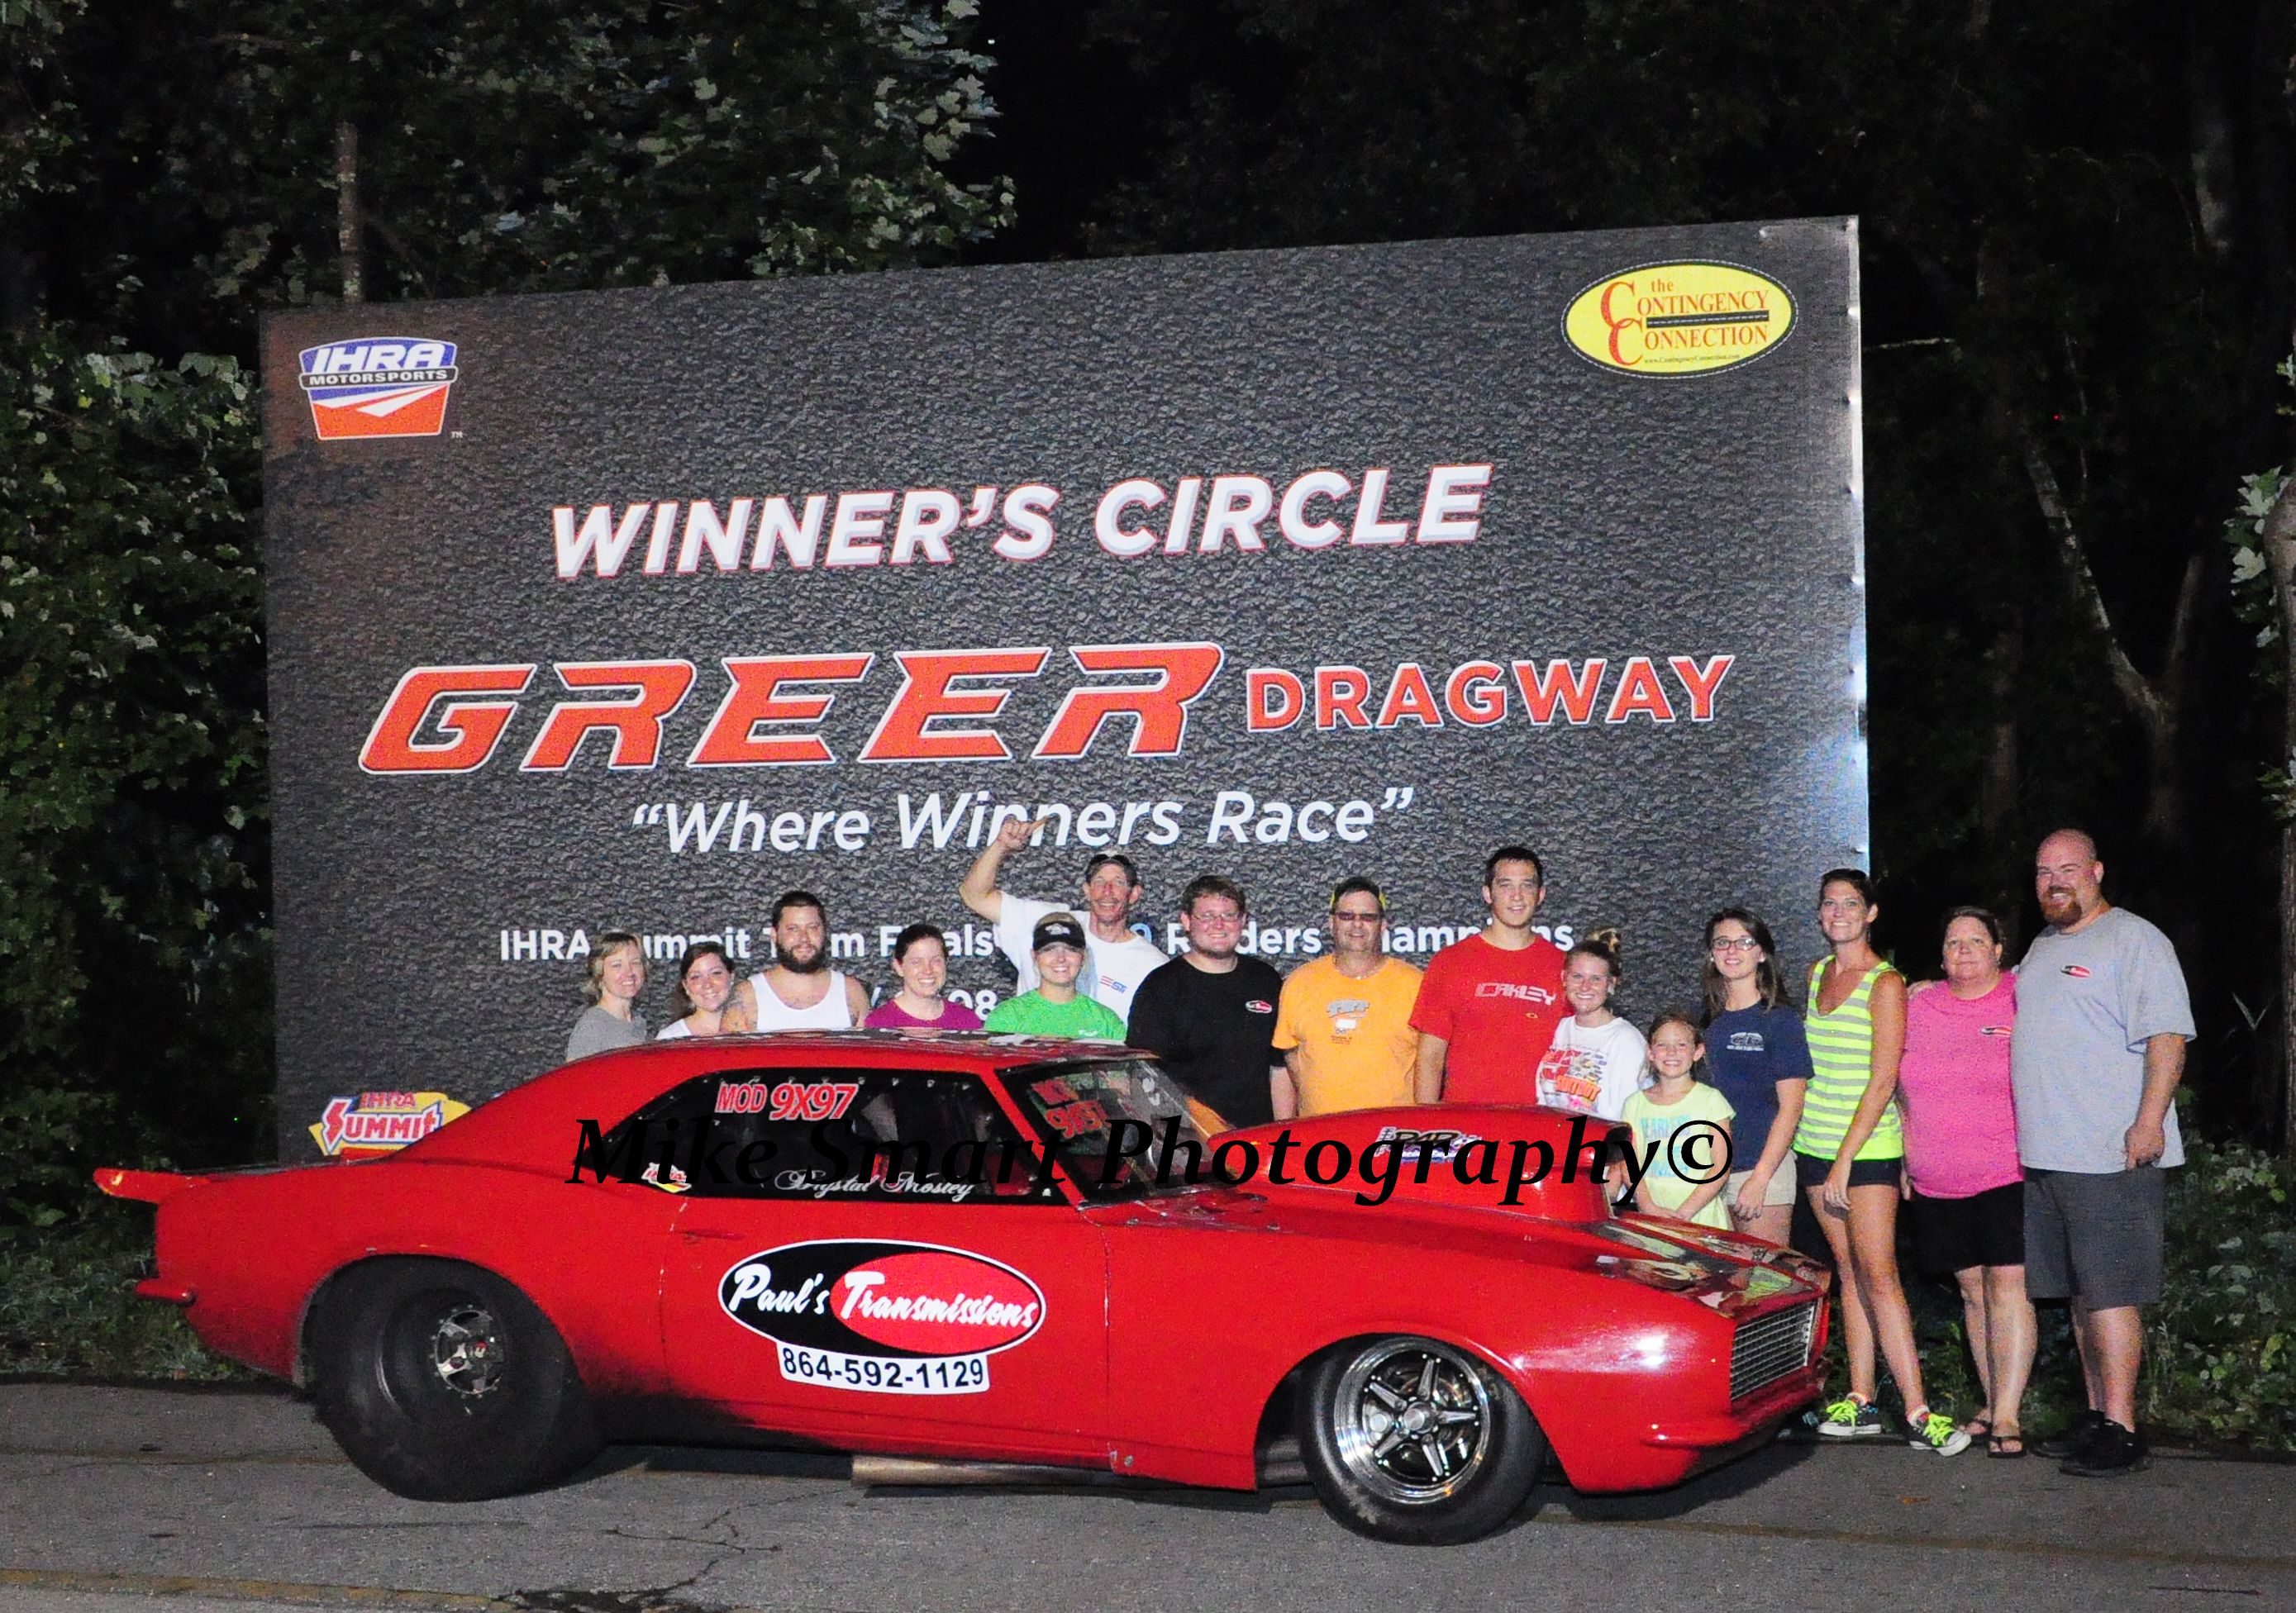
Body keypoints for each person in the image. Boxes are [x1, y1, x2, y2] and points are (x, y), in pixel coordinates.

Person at [2014, 830, 2194, 1477]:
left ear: (2097, 871)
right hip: (2048, 1156)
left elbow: (2167, 1037)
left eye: (2068, 868)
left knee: (2113, 1293)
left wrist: (2148, 1122)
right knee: (2082, 1295)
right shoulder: (2042, 947)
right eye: (2044, 871)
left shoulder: (2134, 939)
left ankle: (2122, 1430)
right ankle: (2096, 1417)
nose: (2056, 881)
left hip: (2110, 1155)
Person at [1793, 868, 1969, 1455]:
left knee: (1880, 1274)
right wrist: (1823, 1153)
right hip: (1814, 1144)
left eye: (1851, 904)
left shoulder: (1886, 983)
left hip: (1865, 1151)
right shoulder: (1817, 974)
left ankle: (1919, 1411)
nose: (1838, 913)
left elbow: (1883, 1079)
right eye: (1829, 904)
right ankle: (1861, 1399)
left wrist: (1846, 1160)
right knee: (1848, 1273)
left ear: (1871, 913)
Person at [1898, 906, 2032, 1458]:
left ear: (1999, 950)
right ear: (1940, 955)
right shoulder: (1917, 1005)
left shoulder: (2023, 996)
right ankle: (1991, 1399)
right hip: (1936, 1176)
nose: (1964, 951)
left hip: (2008, 1169)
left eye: (1977, 941)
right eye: (1954, 942)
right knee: (1973, 1292)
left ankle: (2008, 1415)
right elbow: (1894, 1083)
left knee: (2007, 1285)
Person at [960, 818, 1166, 1018]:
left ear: (1135, 893)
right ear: (1086, 890)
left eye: (1119, 882)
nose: (1107, 891)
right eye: (1099, 881)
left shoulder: (1152, 965)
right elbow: (974, 897)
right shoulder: (1048, 924)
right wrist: (1001, 846)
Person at [1412, 845, 1569, 1103]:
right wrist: (1427, 1124)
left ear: (1541, 894)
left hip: (1543, 1121)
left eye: (1527, 885)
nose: (1517, 896)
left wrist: (1574, 1122)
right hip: (1468, 1122)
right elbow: (1430, 1058)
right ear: (1488, 893)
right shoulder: (1450, 962)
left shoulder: (1563, 966)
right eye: (1506, 885)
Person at [1126, 874, 1285, 1128]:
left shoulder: (1265, 980)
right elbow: (1142, 1077)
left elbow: (1279, 1067)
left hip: (1258, 1137)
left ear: (1243, 921)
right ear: (1186, 921)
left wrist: (1284, 1133)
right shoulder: (1160, 988)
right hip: (1187, 1141)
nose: (1218, 925)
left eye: (1228, 915)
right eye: (1207, 916)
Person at [1701, 908, 1812, 1247]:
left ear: (1761, 953)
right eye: (1722, 943)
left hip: (1761, 1169)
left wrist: (1761, 1179)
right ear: (1711, 954)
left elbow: (1791, 1108)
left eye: (1744, 942)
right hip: (1710, 1170)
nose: (1732, 950)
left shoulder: (1780, 1020)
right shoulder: (1707, 1022)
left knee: (1763, 1275)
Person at [1271, 878, 1422, 1119]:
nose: (1357, 924)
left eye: (1368, 917)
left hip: (1392, 1134)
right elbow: (1290, 1058)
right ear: (1331, 922)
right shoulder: (1299, 983)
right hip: (1321, 1135)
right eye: (1346, 916)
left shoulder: (1415, 984)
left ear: (1383, 924)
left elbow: (1432, 1064)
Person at [1618, 1013, 1733, 1230]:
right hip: (1652, 1220)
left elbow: (1721, 1166)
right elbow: (1629, 1164)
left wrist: (1684, 1214)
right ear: (1650, 1052)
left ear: (1697, 1052)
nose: (1671, 1052)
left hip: (1700, 1220)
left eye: (1681, 1045)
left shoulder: (1711, 1100)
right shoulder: (1634, 1104)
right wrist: (1647, 1206)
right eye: (1662, 1045)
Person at [1533, 929, 1647, 1121]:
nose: (1585, 987)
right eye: (1577, 976)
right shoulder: (1560, 1029)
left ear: (1610, 984)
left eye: (1596, 979)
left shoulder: (1626, 1041)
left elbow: (1627, 1118)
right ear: (1564, 978)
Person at [722, 891, 870, 1031]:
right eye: (793, 929)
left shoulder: (852, 992)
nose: (804, 938)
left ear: (825, 932)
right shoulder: (747, 995)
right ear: (774, 935)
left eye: (813, 928)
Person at [983, 915, 1128, 1039]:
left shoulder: (1106, 1022)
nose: (1061, 958)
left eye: (1070, 949)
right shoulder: (1007, 1018)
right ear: (1034, 956)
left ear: (1083, 956)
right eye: (1049, 949)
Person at [865, 923, 984, 1031]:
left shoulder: (966, 1021)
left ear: (946, 963)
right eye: (917, 962)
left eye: (936, 961)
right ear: (899, 967)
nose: (928, 970)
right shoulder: (879, 1025)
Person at [564, 930, 648, 1059]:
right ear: (599, 973)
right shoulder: (592, 1028)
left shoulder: (639, 1023)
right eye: (617, 965)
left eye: (635, 963)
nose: (629, 972)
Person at [656, 940, 734, 1040]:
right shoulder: (670, 1038)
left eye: (716, 973)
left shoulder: (751, 1030)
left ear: (731, 977)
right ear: (686, 986)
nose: (707, 984)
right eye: (696, 977)